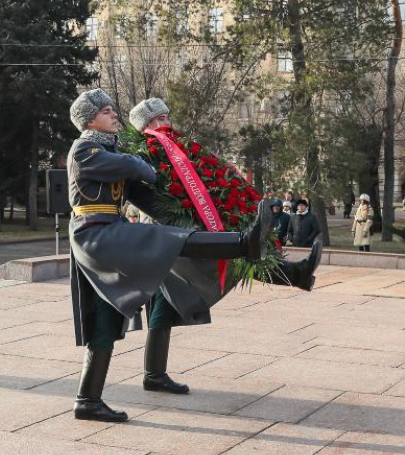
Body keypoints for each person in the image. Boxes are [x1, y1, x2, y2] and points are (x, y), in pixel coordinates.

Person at [67, 89, 309, 423]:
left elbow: (145, 196)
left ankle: (87, 401)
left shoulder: (109, 148)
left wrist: (186, 214)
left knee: (106, 323)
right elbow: (125, 166)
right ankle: (243, 244)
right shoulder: (85, 148)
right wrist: (140, 164)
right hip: (96, 233)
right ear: (90, 119)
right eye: (107, 111)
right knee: (169, 242)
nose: (114, 115)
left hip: (111, 234)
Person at [127, 96, 320, 398]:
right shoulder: (145, 152)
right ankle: (297, 275)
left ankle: (154, 374)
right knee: (229, 259)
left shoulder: (175, 149)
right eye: (159, 119)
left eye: (166, 116)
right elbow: (149, 193)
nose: (166, 123)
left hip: (182, 233)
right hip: (168, 235)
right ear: (146, 125)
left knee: (169, 302)